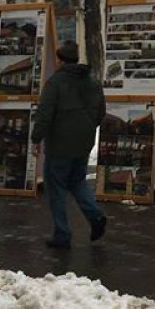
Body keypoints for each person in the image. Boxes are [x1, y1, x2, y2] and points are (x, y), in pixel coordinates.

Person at [32, 40, 107, 249]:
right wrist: (88, 127)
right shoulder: (92, 81)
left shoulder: (55, 83)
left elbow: (45, 114)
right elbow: (101, 112)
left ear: (61, 60)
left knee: (55, 187)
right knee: (77, 181)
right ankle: (95, 216)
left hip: (60, 144)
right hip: (84, 142)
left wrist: (36, 138)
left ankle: (62, 233)